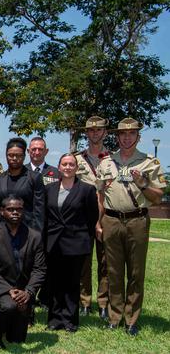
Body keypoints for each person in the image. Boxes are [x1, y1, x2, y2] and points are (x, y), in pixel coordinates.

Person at [96, 118, 166, 336]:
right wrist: (98, 222)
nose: (127, 138)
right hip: (111, 220)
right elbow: (100, 195)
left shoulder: (149, 162)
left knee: (136, 272)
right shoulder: (106, 162)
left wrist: (143, 184)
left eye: (131, 134)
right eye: (123, 134)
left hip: (137, 221)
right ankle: (115, 316)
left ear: (138, 137)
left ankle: (132, 319)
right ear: (117, 137)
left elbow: (157, 198)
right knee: (114, 271)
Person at [0, 196, 46, 348]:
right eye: (10, 209)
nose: (15, 212)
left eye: (19, 209)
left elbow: (40, 269)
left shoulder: (34, 236)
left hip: (24, 288)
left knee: (17, 339)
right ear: (2, 212)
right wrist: (9, 290)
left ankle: (10, 326)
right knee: (8, 305)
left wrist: (29, 292)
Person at [44, 154, 99, 332]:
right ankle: (54, 319)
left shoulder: (86, 189)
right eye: (64, 164)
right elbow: (45, 215)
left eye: (71, 164)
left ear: (76, 168)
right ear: (59, 167)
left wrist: (84, 237)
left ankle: (69, 320)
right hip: (53, 242)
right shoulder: (49, 189)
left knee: (72, 283)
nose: (68, 167)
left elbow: (92, 218)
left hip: (75, 243)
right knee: (54, 282)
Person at [74, 116, 110, 319]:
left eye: (99, 130)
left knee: (105, 261)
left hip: (107, 216)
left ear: (105, 133)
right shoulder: (76, 160)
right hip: (83, 218)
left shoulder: (113, 159)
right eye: (91, 131)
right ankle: (84, 301)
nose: (95, 134)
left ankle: (104, 303)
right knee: (83, 261)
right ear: (86, 133)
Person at [0, 137, 45, 232]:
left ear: (24, 156)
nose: (14, 158)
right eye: (11, 155)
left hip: (27, 231)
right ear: (6, 156)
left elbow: (39, 211)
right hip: (2, 232)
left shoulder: (34, 178)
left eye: (18, 155)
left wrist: (36, 236)